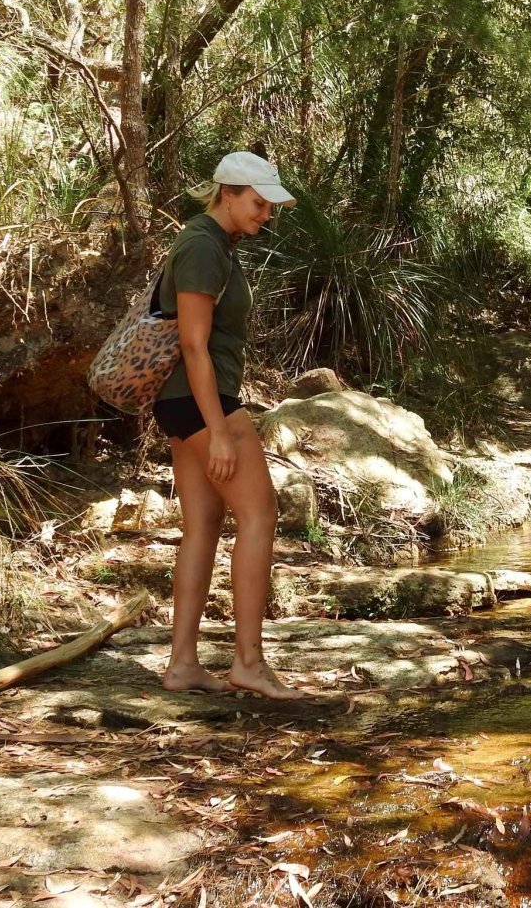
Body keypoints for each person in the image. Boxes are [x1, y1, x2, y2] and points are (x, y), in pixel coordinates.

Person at [153, 151, 307, 700]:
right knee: (260, 512)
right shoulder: (200, 246)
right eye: (259, 203)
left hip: (184, 401)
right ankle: (248, 662)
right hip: (202, 400)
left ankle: (183, 666)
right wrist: (218, 429)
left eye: (269, 206)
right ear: (228, 193)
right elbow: (193, 344)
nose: (266, 215)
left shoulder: (214, 243)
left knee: (204, 526)